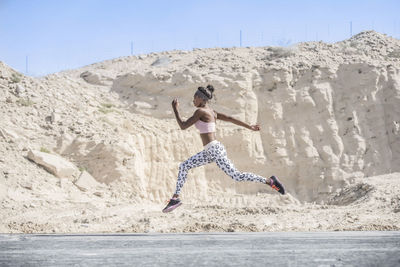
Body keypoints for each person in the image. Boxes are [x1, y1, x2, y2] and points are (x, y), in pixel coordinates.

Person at [162, 85, 285, 213]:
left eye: (194, 98)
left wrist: (175, 110)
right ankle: (175, 198)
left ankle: (269, 181)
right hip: (210, 151)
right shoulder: (212, 112)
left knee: (237, 176)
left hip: (214, 150)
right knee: (184, 166)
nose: (193, 101)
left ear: (200, 98)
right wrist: (249, 127)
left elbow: (183, 126)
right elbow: (230, 119)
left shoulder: (201, 112)